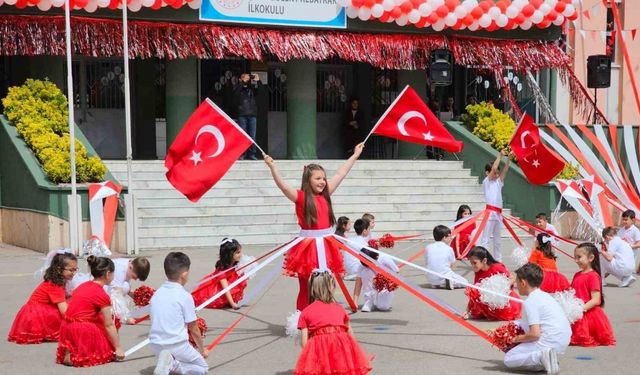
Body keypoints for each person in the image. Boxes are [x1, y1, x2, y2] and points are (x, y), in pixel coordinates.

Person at [264, 143, 364, 311]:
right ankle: (303, 319)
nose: (323, 182)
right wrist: (273, 167)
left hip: (326, 245)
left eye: (324, 178)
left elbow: (341, 173)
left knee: (327, 283)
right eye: (318, 179)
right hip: (307, 247)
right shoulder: (301, 197)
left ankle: (325, 315)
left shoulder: (326, 195)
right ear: (307, 180)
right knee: (306, 285)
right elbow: (283, 186)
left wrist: (355, 155)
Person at [294, 271, 372, 375]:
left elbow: (304, 343)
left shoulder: (305, 312)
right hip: (341, 349)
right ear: (332, 288)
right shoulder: (339, 308)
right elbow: (350, 333)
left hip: (320, 350)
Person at [56, 256, 124, 367]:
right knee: (107, 351)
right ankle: (77, 353)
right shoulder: (101, 294)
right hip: (82, 328)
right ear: (108, 274)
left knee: (97, 318)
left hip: (67, 325)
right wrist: (118, 347)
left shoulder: (82, 286)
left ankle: (72, 349)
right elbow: (109, 324)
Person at [503, 263, 571, 374]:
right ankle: (545, 360)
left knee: (509, 359)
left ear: (523, 283)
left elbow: (535, 334)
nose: (516, 285)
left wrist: (516, 339)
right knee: (519, 323)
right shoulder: (545, 295)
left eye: (517, 282)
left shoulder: (530, 301)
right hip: (563, 339)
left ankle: (541, 357)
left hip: (550, 341)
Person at [151, 252, 208, 375]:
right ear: (184, 274)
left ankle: (169, 361)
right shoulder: (184, 296)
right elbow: (193, 328)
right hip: (176, 345)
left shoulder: (157, 294)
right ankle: (174, 364)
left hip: (156, 345)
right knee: (203, 368)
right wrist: (202, 350)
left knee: (186, 360)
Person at [8, 252, 77, 344]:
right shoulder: (56, 284)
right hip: (36, 316)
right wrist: (79, 319)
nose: (73, 273)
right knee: (68, 317)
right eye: (71, 270)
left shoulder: (58, 280)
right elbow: (64, 311)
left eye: (75, 270)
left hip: (35, 311)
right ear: (59, 269)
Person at [570, 242, 616, 346]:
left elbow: (596, 300)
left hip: (588, 313)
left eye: (579, 257)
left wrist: (580, 309)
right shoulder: (577, 274)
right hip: (576, 312)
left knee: (585, 336)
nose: (576, 260)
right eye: (575, 257)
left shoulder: (593, 276)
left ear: (591, 258)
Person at [465, 246, 522, 321]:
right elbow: (474, 294)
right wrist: (467, 311)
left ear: (484, 260)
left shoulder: (497, 267)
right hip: (489, 302)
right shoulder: (478, 273)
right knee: (474, 290)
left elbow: (513, 278)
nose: (472, 265)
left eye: (475, 263)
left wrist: (502, 287)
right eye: (471, 263)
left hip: (504, 300)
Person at [192, 238, 247, 309]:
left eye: (240, 252)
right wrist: (232, 304)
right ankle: (228, 301)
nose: (240, 254)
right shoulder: (222, 271)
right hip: (218, 289)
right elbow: (226, 289)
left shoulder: (235, 265)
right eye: (238, 252)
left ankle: (229, 300)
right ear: (229, 254)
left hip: (228, 285)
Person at [478, 149, 512, 262]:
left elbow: (506, 170)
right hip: (489, 213)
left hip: (498, 214)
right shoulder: (486, 182)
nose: (496, 174)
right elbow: (493, 168)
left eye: (498, 172)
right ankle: (484, 259)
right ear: (487, 173)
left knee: (497, 239)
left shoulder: (498, 182)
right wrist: (500, 155)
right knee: (486, 239)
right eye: (494, 172)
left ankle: (498, 260)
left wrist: (508, 158)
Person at [105, 256, 151, 326]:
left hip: (110, 288)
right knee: (125, 286)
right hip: (103, 290)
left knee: (126, 286)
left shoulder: (129, 264)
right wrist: (126, 318)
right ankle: (111, 313)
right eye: (134, 277)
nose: (135, 280)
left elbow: (127, 291)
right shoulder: (119, 270)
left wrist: (142, 300)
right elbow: (116, 297)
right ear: (130, 267)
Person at [424, 225, 468, 289]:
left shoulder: (428, 247)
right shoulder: (449, 249)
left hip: (430, 278)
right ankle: (446, 282)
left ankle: (438, 284)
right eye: (449, 236)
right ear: (444, 237)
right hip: (444, 276)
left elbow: (427, 262)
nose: (451, 238)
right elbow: (453, 265)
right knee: (465, 282)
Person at [234, 72, 261, 160]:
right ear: (240, 79)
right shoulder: (238, 87)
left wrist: (257, 82)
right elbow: (236, 94)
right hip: (242, 114)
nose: (247, 79)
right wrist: (242, 83)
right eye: (244, 78)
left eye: (247, 78)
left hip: (252, 114)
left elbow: (259, 91)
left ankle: (252, 154)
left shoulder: (251, 89)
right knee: (242, 135)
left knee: (252, 136)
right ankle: (242, 154)